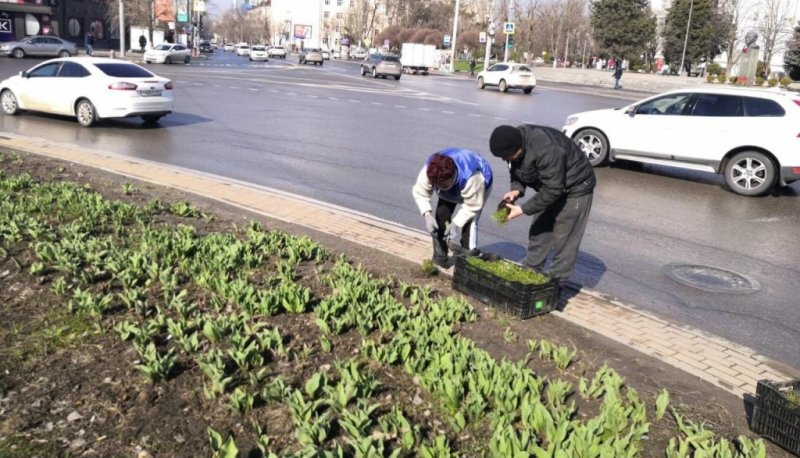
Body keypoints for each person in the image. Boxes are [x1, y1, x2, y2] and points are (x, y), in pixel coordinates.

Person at [489, 124, 595, 285]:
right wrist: (516, 190)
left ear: (519, 148)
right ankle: (530, 270)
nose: (505, 160)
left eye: (507, 156)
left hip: (576, 187)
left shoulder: (547, 149)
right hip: (549, 186)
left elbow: (553, 189)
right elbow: (516, 169)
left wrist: (522, 209)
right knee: (539, 230)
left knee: (565, 238)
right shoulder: (513, 142)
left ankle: (556, 283)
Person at [412, 148, 493, 267]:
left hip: (478, 187)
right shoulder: (430, 170)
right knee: (441, 217)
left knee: (469, 223)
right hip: (453, 187)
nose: (440, 186)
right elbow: (420, 192)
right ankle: (441, 255)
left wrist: (455, 224)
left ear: (453, 174)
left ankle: (467, 256)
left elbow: (472, 206)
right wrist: (427, 214)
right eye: (437, 184)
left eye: (443, 184)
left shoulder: (471, 177)